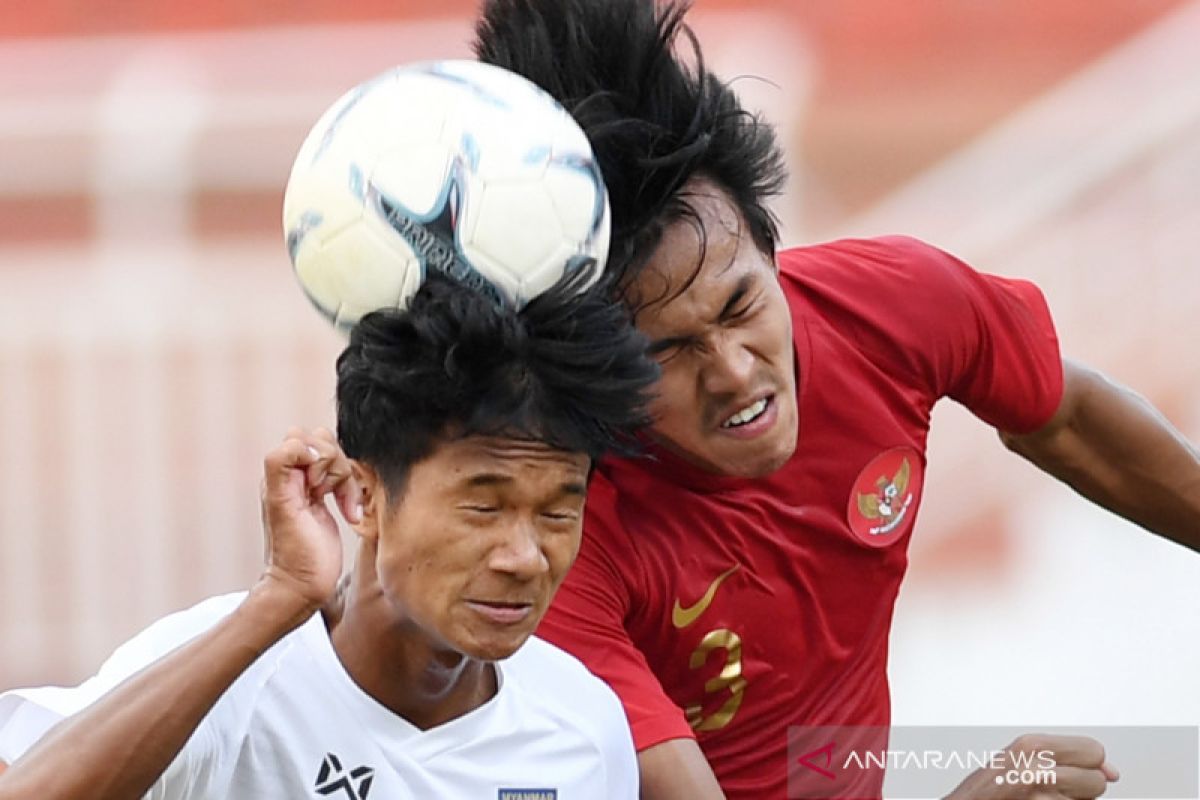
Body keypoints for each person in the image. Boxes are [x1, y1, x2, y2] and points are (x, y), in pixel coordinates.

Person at [474, 1, 1200, 797]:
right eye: (669, 353)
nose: (735, 372)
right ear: (601, 364)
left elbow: (1070, 418)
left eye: (741, 308)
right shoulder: (563, 537)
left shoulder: (895, 307)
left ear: (771, 250)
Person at [0, 271, 658, 799]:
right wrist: (280, 597)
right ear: (367, 497)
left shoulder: (582, 731)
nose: (523, 558)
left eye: (557, 513)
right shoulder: (227, 675)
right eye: (482, 509)